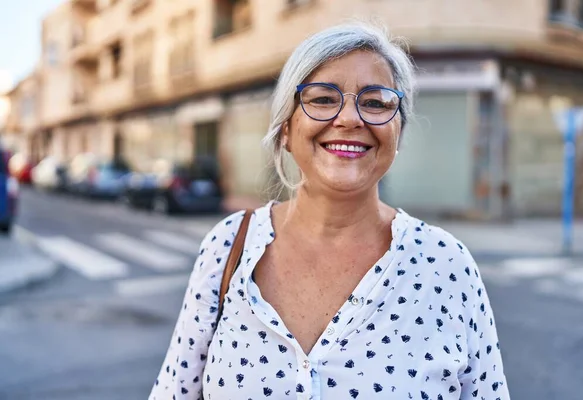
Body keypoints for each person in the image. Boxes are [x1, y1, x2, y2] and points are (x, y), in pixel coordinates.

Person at [150, 22, 509, 400]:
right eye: (323, 99)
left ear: (398, 132)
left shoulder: (447, 265)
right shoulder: (227, 247)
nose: (350, 119)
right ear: (286, 129)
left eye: (375, 102)